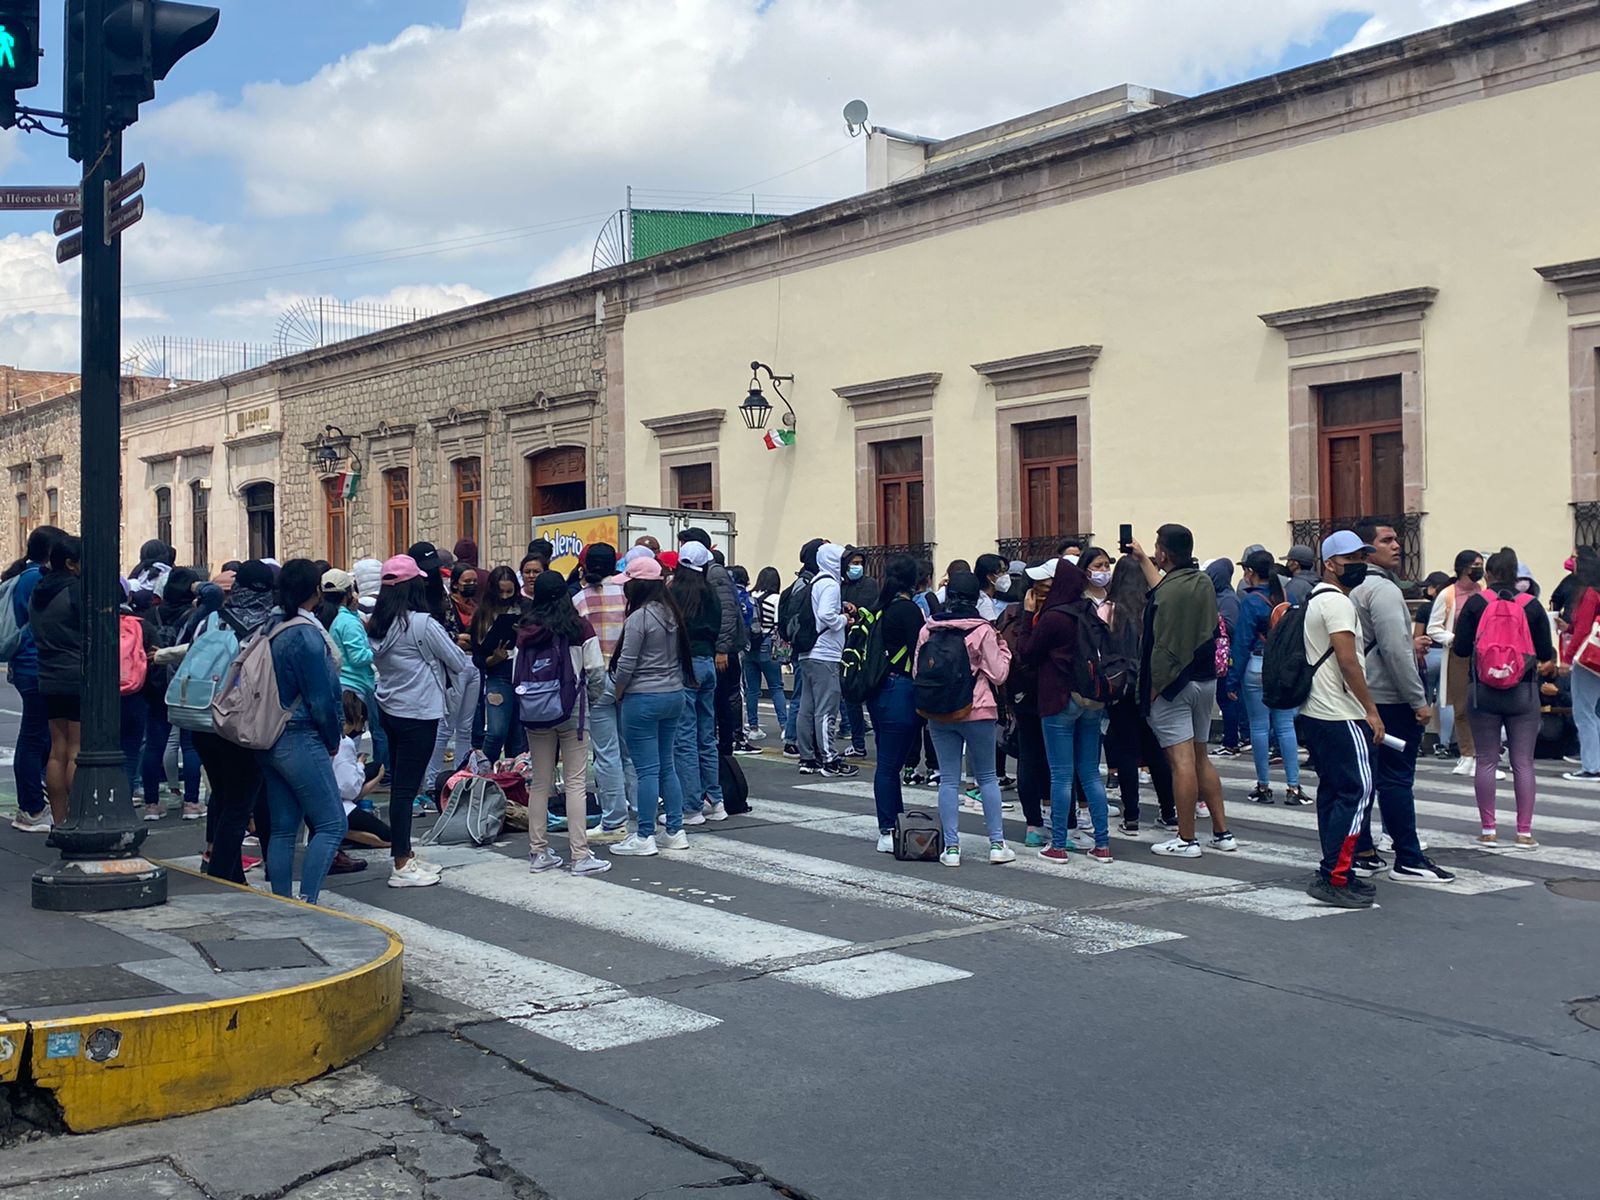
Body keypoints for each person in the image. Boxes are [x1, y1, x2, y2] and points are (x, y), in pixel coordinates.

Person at [1348, 521, 1456, 883]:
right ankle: (1408, 857)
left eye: (1396, 539)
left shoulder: (1351, 588)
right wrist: (1418, 700)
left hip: (1361, 693)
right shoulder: (1383, 590)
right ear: (1367, 549)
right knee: (1396, 779)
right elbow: (1395, 651)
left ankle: (1362, 851)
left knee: (1366, 777)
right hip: (1390, 697)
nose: (1397, 545)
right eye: (1387, 540)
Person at [1130, 525, 1235, 858]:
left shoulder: (1165, 595)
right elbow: (1168, 587)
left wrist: (1151, 690)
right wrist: (1142, 557)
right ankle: (1222, 832)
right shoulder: (1201, 581)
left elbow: (1161, 648)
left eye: (1157, 548)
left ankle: (1187, 839)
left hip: (1173, 685)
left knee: (1181, 762)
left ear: (1164, 552)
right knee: (1201, 756)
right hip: (1205, 679)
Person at [370, 554, 470, 887]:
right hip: (419, 712)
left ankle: (404, 853)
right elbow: (457, 660)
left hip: (389, 708)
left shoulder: (377, 624)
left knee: (401, 784)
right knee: (405, 790)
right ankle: (400, 863)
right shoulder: (422, 624)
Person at [1297, 531, 1385, 908]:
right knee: (1358, 791)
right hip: (1340, 712)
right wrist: (1371, 710)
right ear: (1330, 563)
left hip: (1317, 711)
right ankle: (1336, 875)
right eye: (1350, 558)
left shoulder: (1316, 598)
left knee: (1334, 793)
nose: (1358, 564)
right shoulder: (1337, 604)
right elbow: (1349, 661)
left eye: (1362, 556)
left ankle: (1335, 870)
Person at [1452, 546, 1557, 849]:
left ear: (1487, 574)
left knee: (1486, 760)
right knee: (1523, 762)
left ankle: (1488, 830)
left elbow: (1460, 649)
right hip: (1523, 691)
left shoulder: (1475, 603)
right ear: (1516, 575)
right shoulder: (1531, 606)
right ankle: (1524, 832)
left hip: (1482, 691)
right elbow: (1544, 651)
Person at [256, 560, 347, 906]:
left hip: (269, 731)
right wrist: (333, 738)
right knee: (331, 823)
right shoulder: (306, 635)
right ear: (314, 590)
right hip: (300, 733)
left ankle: (282, 900)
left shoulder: (272, 625)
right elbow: (321, 697)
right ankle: (308, 900)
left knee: (283, 827)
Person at [1017, 555, 1114, 864]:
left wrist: (1027, 616)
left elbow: (1027, 653)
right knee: (1089, 772)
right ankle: (1102, 844)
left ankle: (1058, 844)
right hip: (1091, 698)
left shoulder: (1054, 617)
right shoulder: (1089, 611)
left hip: (1058, 698)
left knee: (1060, 774)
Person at [914, 571, 1015, 867]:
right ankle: (997, 844)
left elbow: (919, 673)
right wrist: (1005, 650)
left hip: (939, 711)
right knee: (986, 777)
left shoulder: (929, 628)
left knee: (948, 778)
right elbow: (999, 674)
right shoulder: (982, 630)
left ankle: (953, 848)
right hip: (978, 709)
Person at [517, 570, 611, 875]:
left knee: (540, 783)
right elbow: (596, 672)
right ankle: (579, 855)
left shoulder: (526, 629)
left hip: (535, 709)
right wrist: (594, 700)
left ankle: (538, 852)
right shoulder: (579, 628)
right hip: (573, 711)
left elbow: (516, 669)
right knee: (575, 784)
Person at [610, 556, 692, 856]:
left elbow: (626, 665)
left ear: (637, 585)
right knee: (666, 765)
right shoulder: (672, 613)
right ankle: (675, 829)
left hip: (642, 697)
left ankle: (645, 835)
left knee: (646, 770)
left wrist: (618, 691)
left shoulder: (638, 618)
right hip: (674, 694)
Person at [1226, 549, 1309, 805]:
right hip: (1284, 667)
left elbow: (1241, 643)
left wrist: (1232, 679)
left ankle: (1263, 785)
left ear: (1250, 572)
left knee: (1259, 727)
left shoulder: (1251, 602)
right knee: (1285, 727)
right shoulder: (1289, 596)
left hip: (1257, 664)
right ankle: (1294, 787)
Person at [1102, 555, 1177, 834]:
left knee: (1125, 749)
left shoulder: (1110, 609)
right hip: (1149, 684)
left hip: (1120, 684)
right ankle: (1169, 812)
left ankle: (1131, 816)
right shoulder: (1153, 607)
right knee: (1154, 747)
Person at [5, 525, 64, 832]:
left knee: (39, 736)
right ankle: (31, 807)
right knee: (34, 737)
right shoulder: (34, 579)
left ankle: (33, 801)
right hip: (35, 663)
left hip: (27, 664)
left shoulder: (23, 576)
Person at [572, 543, 630, 841]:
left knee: (606, 753)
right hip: (629, 678)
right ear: (615, 565)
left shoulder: (580, 600)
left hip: (596, 680)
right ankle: (635, 809)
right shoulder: (627, 597)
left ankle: (613, 818)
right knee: (630, 750)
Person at [867, 555, 925, 851]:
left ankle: (894, 823)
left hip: (879, 689)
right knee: (890, 765)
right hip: (901, 689)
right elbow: (920, 652)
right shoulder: (908, 610)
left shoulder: (881, 608)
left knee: (889, 762)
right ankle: (888, 829)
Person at [140, 568, 203, 821]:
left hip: (155, 683)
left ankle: (152, 804)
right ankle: (191, 803)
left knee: (154, 745)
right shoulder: (196, 616)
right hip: (185, 683)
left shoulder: (150, 614)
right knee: (189, 745)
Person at [669, 541, 725, 823]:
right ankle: (715, 800)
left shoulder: (674, 593)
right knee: (707, 735)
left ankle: (691, 806)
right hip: (708, 663)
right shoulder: (712, 593)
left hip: (684, 665)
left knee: (684, 738)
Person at [30, 534, 84, 825]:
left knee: (57, 749)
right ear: (70, 563)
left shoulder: (39, 590)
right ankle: (76, 819)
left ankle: (60, 820)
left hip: (48, 674)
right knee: (77, 749)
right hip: (75, 673)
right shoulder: (74, 590)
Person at [678, 528, 745, 759]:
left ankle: (725, 747)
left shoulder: (714, 573)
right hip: (708, 650)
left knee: (720, 700)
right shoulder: (702, 574)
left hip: (716, 650)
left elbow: (726, 610)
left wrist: (722, 649)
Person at [795, 543, 857, 777]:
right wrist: (843, 620)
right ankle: (829, 759)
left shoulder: (816, 582)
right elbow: (825, 615)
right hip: (825, 653)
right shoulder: (831, 584)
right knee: (826, 708)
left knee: (806, 707)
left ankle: (807, 757)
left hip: (808, 653)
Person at [997, 566, 1049, 846]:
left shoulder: (1010, 614)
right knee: (1052, 759)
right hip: (1045, 694)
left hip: (1020, 695)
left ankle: (1034, 824)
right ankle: (1048, 820)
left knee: (1031, 757)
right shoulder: (1040, 614)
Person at [1428, 549, 1487, 776]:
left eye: (1481, 565)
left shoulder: (1483, 592)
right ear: (1463, 567)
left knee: (1480, 707)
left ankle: (1480, 753)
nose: (1479, 570)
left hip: (1482, 655)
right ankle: (1466, 754)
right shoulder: (1448, 594)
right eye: (1475, 565)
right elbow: (1434, 627)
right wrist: (1454, 640)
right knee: (1461, 706)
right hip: (1458, 655)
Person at [471, 565, 528, 764]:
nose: (504, 597)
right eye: (500, 592)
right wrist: (493, 659)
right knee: (496, 732)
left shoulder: (525, 608)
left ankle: (514, 780)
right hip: (498, 673)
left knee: (518, 737)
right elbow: (477, 656)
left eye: (509, 592)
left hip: (522, 672)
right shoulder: (482, 615)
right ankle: (482, 775)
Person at [332, 690, 392, 850]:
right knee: (388, 837)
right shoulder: (345, 743)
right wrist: (360, 766)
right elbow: (350, 789)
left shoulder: (329, 735)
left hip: (327, 799)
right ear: (358, 719)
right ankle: (343, 833)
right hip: (338, 805)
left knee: (376, 767)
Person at [781, 539, 824, 756]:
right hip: (804, 648)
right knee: (801, 696)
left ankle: (798, 739)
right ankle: (791, 739)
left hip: (802, 647)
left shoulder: (803, 581)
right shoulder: (806, 585)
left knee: (805, 696)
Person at [839, 547, 880, 756]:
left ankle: (876, 741)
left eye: (859, 562)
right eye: (853, 563)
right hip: (845, 647)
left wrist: (855, 609)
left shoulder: (870, 584)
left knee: (869, 696)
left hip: (864, 645)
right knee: (851, 698)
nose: (857, 567)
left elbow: (870, 608)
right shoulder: (839, 585)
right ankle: (858, 743)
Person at [1564, 548, 1600, 781]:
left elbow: (1583, 630)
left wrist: (1568, 657)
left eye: (1575, 557)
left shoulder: (1588, 593)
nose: (1570, 561)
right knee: (1595, 712)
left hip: (1588, 659)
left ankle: (1591, 766)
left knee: (1584, 712)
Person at [743, 566, 789, 741]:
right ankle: (785, 726)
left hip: (749, 647)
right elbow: (778, 625)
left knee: (752, 690)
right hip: (768, 644)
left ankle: (753, 727)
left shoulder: (749, 596)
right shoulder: (777, 599)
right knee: (776, 686)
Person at [1206, 558, 1245, 759]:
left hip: (1225, 656)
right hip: (1222, 655)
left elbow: (1231, 626)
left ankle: (1231, 741)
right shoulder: (1219, 596)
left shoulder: (1227, 599)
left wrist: (1213, 617)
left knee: (1226, 699)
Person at [1415, 569, 1453, 754]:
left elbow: (1418, 635)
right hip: (1447, 655)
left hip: (1428, 655)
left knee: (1423, 698)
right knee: (1444, 701)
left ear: (1435, 588)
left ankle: (1418, 742)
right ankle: (1444, 744)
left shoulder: (1425, 608)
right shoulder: (1452, 605)